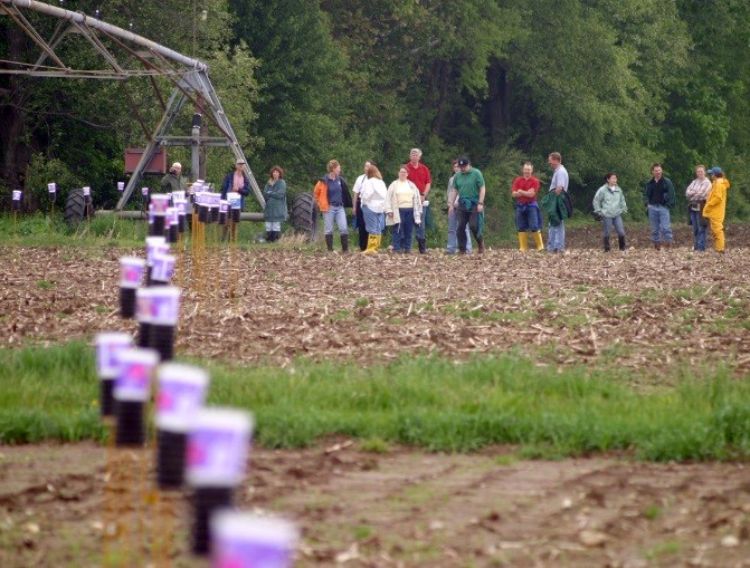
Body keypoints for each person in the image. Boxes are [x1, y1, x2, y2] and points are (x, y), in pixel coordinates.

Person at [448, 156, 486, 254]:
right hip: (462, 203)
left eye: (464, 166)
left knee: (473, 225)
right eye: (461, 167)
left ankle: (480, 242)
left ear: (469, 165)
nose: (462, 169)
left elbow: (482, 188)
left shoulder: (476, 173)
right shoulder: (457, 176)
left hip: (474, 202)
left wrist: (480, 203)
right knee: (460, 227)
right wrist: (451, 204)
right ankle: (462, 249)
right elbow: (454, 190)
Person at [313, 159, 352, 252]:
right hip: (329, 208)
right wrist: (320, 204)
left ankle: (345, 250)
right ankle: (330, 250)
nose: (340, 170)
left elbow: (345, 192)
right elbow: (315, 193)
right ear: (333, 169)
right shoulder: (323, 181)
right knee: (329, 229)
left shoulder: (340, 180)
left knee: (343, 228)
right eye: (338, 168)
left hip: (340, 207)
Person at [385, 166, 423, 254]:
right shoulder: (394, 185)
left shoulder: (412, 185)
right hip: (398, 210)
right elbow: (388, 198)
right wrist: (389, 210)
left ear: (407, 174)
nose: (402, 174)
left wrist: (419, 211)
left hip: (410, 210)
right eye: (401, 172)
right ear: (398, 173)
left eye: (404, 172)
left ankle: (407, 248)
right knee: (397, 230)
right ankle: (397, 248)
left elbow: (417, 199)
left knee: (409, 230)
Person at [511, 162, 544, 252]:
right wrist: (524, 193)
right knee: (520, 226)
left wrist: (520, 192)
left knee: (534, 225)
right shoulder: (518, 180)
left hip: (531, 205)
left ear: (532, 170)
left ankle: (540, 246)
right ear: (523, 170)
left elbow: (531, 194)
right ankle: (523, 247)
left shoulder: (535, 181)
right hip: (520, 205)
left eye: (529, 170)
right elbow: (513, 194)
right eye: (525, 169)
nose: (527, 171)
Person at [643, 163, 676, 250]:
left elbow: (672, 194)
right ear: (652, 172)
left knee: (665, 227)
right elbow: (645, 195)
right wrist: (647, 204)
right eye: (656, 170)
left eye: (659, 170)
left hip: (663, 207)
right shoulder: (649, 183)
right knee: (654, 229)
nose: (658, 172)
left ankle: (668, 244)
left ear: (662, 171)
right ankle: (657, 246)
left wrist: (668, 205)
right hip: (652, 207)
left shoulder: (667, 182)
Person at [405, 148, 432, 254]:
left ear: (420, 156)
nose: (414, 156)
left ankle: (422, 248)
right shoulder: (406, 168)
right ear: (409, 156)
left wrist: (424, 195)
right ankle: (407, 247)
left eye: (416, 154)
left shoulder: (424, 169)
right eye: (412, 154)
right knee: (408, 224)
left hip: (421, 199)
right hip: (408, 200)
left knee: (420, 224)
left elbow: (428, 183)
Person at [592, 172, 628, 252]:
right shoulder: (602, 190)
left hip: (617, 214)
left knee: (621, 232)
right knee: (607, 232)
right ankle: (607, 249)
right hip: (606, 214)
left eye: (616, 178)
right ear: (608, 180)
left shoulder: (619, 189)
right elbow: (596, 200)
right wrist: (598, 211)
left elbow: (622, 200)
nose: (615, 180)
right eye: (613, 178)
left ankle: (622, 248)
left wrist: (624, 208)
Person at [360, 164, 388, 254]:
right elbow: (385, 195)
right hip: (380, 207)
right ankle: (376, 247)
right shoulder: (381, 182)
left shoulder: (369, 182)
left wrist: (364, 199)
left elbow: (367, 194)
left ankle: (371, 248)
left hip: (370, 206)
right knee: (378, 227)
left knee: (371, 228)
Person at [445, 159, 471, 254]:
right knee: (451, 228)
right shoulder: (451, 180)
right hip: (452, 206)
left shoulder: (466, 178)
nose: (457, 168)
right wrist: (449, 204)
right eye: (455, 167)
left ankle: (467, 248)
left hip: (462, 206)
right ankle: (451, 248)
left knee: (464, 228)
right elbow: (449, 192)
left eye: (458, 167)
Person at [703, 167, 731, 253]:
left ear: (715, 175)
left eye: (711, 174)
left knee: (717, 230)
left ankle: (720, 249)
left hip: (716, 211)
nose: (711, 175)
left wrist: (709, 204)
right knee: (716, 230)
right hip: (716, 211)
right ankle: (718, 248)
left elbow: (718, 198)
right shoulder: (718, 183)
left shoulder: (718, 184)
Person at [685, 165, 712, 252]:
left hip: (702, 206)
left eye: (701, 171)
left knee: (702, 227)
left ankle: (701, 248)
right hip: (693, 206)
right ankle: (696, 246)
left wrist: (693, 193)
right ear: (696, 173)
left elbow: (703, 194)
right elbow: (687, 193)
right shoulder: (694, 182)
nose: (699, 173)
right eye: (698, 171)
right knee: (695, 228)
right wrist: (695, 193)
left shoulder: (708, 183)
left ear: (705, 172)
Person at [546, 152, 569, 253]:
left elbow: (559, 188)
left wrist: (552, 199)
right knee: (554, 223)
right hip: (557, 200)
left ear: (556, 160)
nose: (549, 162)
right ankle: (554, 247)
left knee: (557, 223)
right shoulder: (558, 171)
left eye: (550, 161)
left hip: (557, 200)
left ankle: (557, 247)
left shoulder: (560, 172)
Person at [262, 166, 288, 242]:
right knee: (268, 225)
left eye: (277, 172)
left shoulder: (282, 182)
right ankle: (268, 240)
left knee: (276, 225)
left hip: (278, 208)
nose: (275, 173)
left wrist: (270, 193)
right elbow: (265, 194)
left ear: (279, 174)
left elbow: (280, 194)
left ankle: (275, 240)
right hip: (269, 208)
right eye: (274, 172)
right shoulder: (269, 183)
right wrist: (272, 193)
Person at [352, 161, 373, 251]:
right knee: (361, 225)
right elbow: (355, 193)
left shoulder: (376, 179)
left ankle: (371, 246)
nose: (367, 168)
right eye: (365, 166)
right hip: (361, 204)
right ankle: (362, 246)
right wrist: (354, 207)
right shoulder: (360, 178)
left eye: (368, 166)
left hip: (372, 205)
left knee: (371, 225)